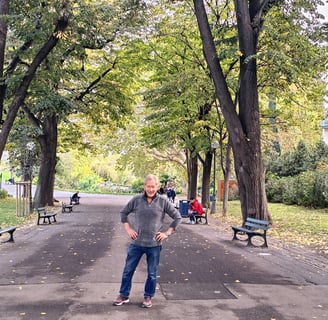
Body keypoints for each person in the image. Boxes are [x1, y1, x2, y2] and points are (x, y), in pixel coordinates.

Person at [113, 174, 181, 308]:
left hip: (154, 245)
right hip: (136, 244)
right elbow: (123, 213)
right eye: (149, 186)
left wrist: (167, 233)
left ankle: (148, 296)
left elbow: (177, 217)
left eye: (153, 187)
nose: (151, 189)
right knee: (128, 271)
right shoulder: (137, 200)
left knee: (152, 273)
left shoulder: (163, 201)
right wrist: (128, 229)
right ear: (145, 186)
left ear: (157, 187)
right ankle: (124, 295)